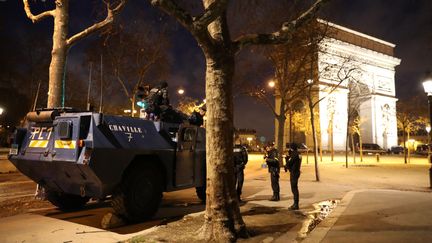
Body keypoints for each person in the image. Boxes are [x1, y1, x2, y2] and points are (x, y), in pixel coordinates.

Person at [284, 143, 302, 210]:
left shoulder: (294, 154)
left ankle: (295, 204)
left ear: (292, 148)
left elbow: (289, 162)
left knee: (294, 189)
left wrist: (287, 159)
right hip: (297, 171)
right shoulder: (299, 154)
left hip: (294, 172)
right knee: (295, 188)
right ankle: (295, 203)